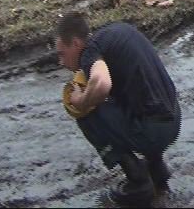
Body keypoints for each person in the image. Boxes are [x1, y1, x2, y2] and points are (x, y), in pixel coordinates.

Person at [56, 11, 181, 207]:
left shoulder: (89, 53)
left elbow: (102, 83)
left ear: (76, 44)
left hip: (156, 131)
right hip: (174, 118)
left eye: (62, 54)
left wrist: (80, 101)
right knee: (124, 98)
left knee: (87, 114)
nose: (61, 62)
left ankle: (138, 180)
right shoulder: (117, 31)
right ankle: (157, 169)